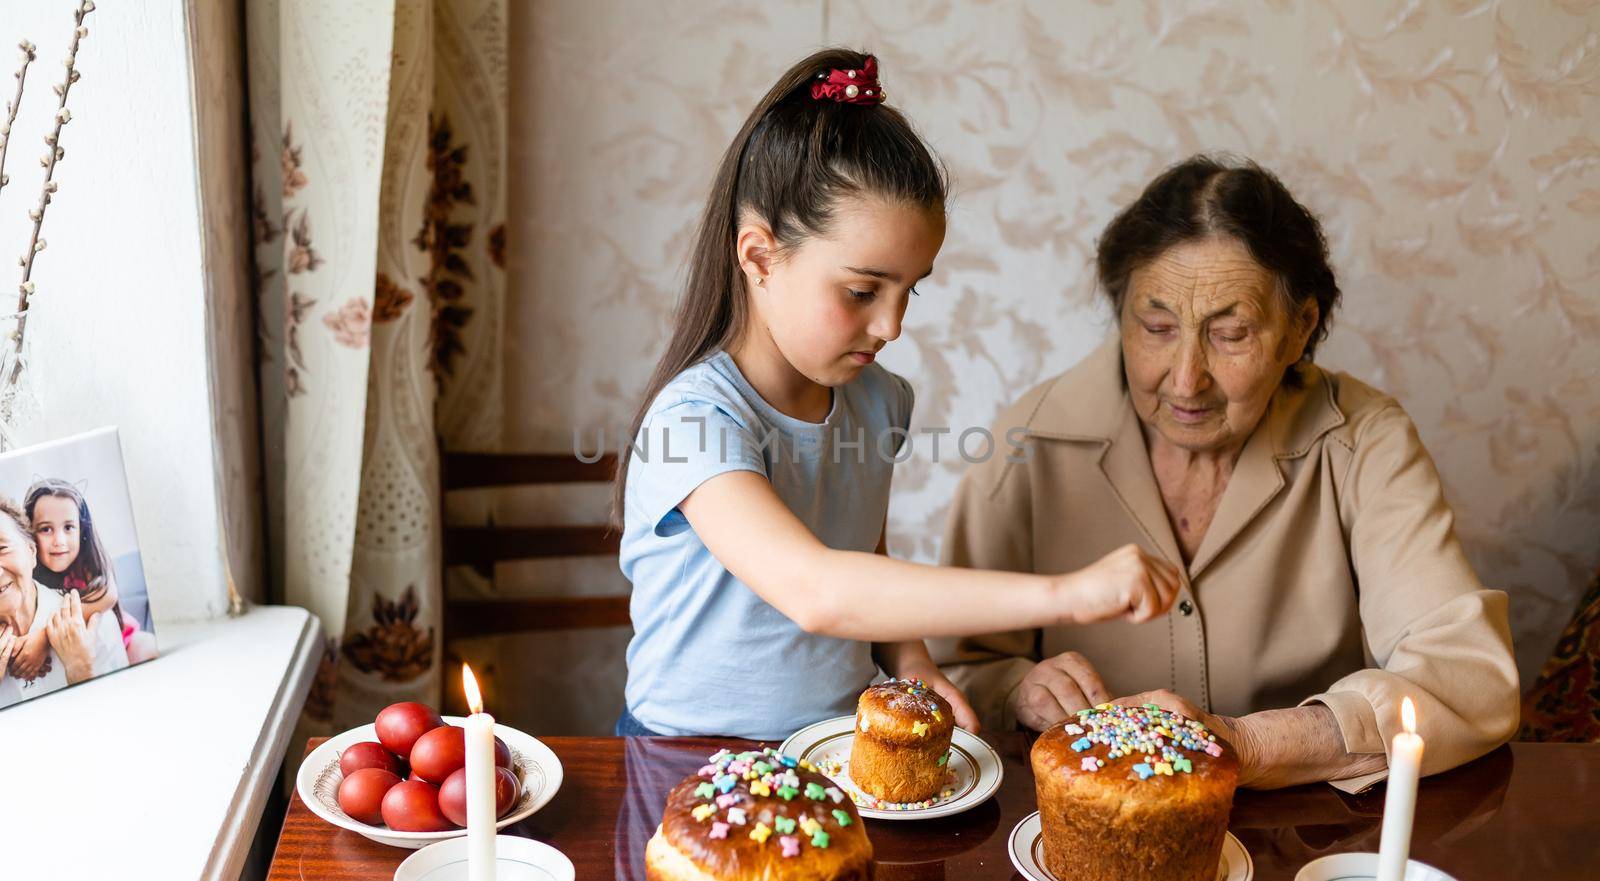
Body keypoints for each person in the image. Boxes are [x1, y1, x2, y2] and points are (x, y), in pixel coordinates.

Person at [612, 48, 1181, 739]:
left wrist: (912, 661)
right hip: (682, 760)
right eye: (861, 291)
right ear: (760, 257)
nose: (892, 325)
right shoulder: (695, 420)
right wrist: (1068, 592)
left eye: (911, 289)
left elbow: (863, 558)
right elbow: (819, 591)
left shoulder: (877, 399)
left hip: (830, 751)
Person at [934, 155, 1519, 791]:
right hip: (1086, 820)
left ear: (1300, 328)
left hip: (1300, 830)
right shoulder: (1031, 441)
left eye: (1231, 334)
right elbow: (951, 667)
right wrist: (1019, 687)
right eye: (1156, 328)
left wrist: (1244, 744)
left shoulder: (1363, 441)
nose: (1186, 379)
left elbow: (1473, 681)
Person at [7, 478, 157, 681]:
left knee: (148, 647)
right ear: (30, 539)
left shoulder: (86, 566)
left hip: (125, 638)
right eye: (46, 529)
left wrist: (43, 638)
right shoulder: (25, 578)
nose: (59, 541)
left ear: (82, 531)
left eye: (68, 527)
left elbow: (108, 595)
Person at [0, 496, 127, 709]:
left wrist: (82, 672)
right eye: (47, 529)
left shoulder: (96, 626)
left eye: (1, 548)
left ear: (32, 553)